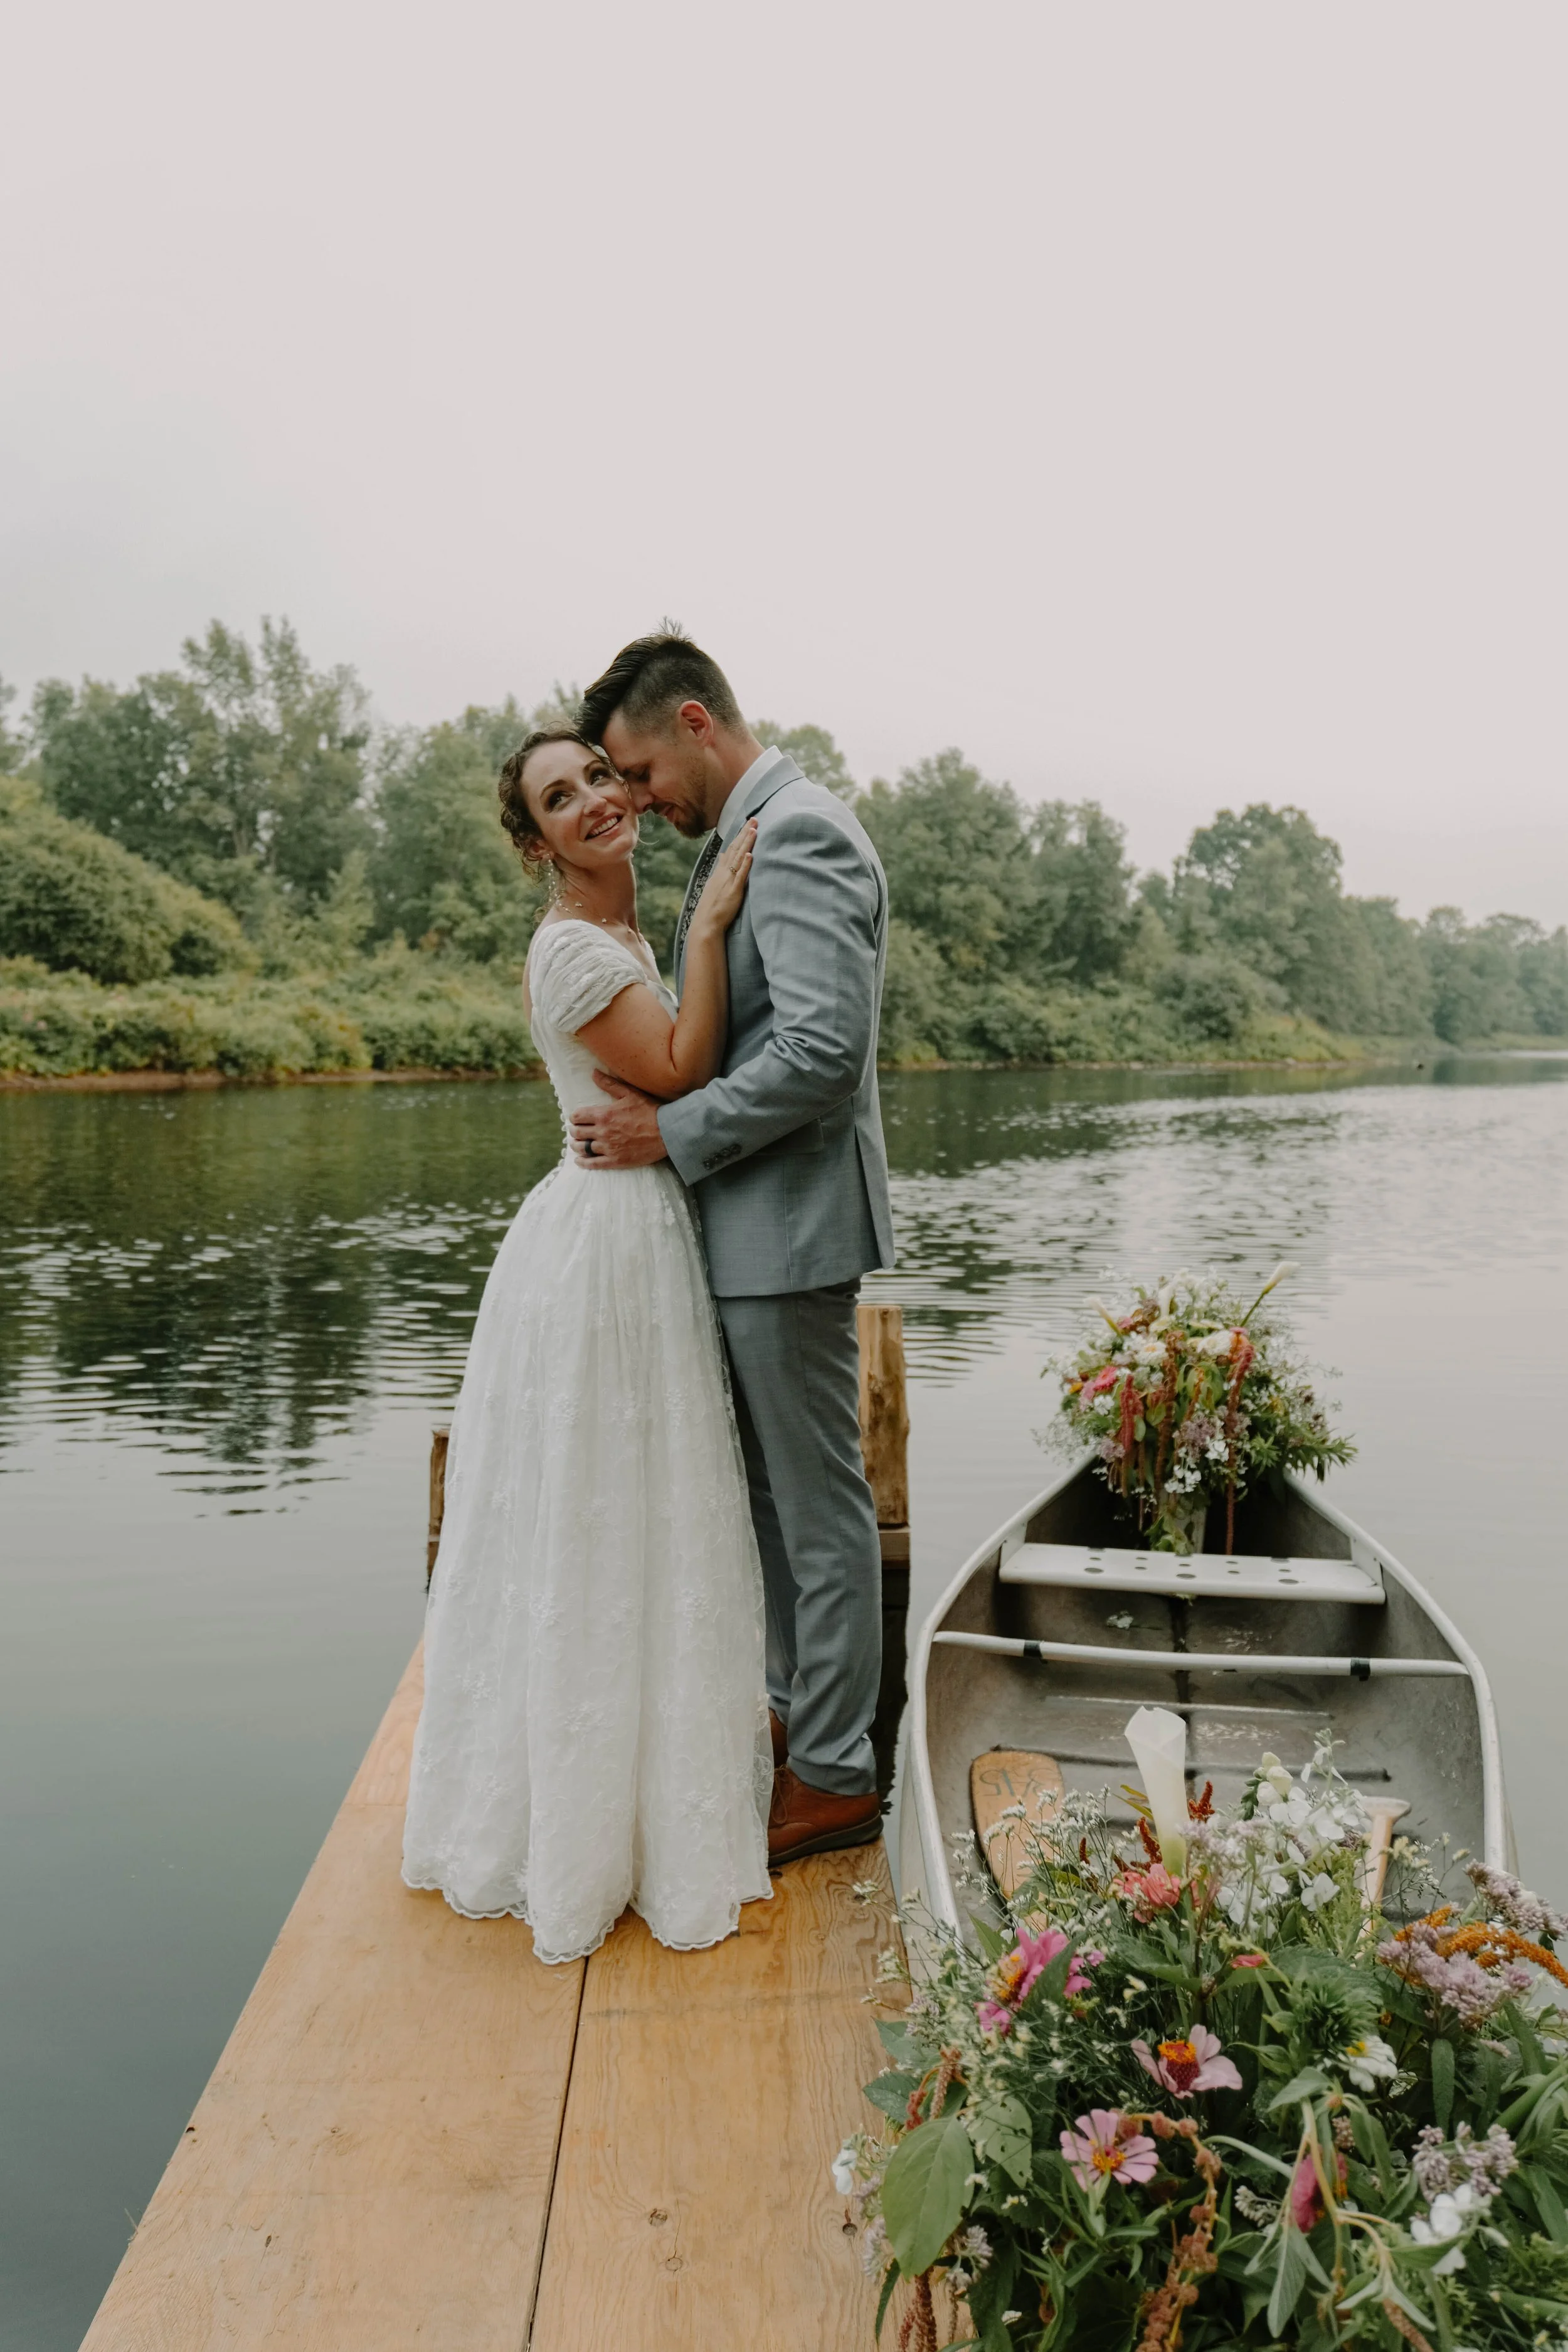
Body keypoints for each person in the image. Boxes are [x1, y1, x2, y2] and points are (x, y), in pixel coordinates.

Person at [401, 728, 772, 1964]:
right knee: (598, 1517)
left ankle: (636, 1810)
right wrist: (712, 932)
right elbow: (676, 1065)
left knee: (641, 1514)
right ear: (536, 839)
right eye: (560, 799)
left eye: (600, 779)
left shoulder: (615, 933)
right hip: (603, 1252)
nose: (594, 804)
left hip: (634, 1232)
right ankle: (566, 1833)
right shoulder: (571, 950)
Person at [573, 630, 896, 1867]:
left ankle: (833, 1774)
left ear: (696, 724)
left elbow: (820, 1052)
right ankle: (792, 1720)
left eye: (641, 769)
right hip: (751, 1228)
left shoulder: (800, 830)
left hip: (789, 1228)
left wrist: (670, 1135)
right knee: (771, 1501)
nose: (635, 800)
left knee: (816, 1509)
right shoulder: (742, 833)